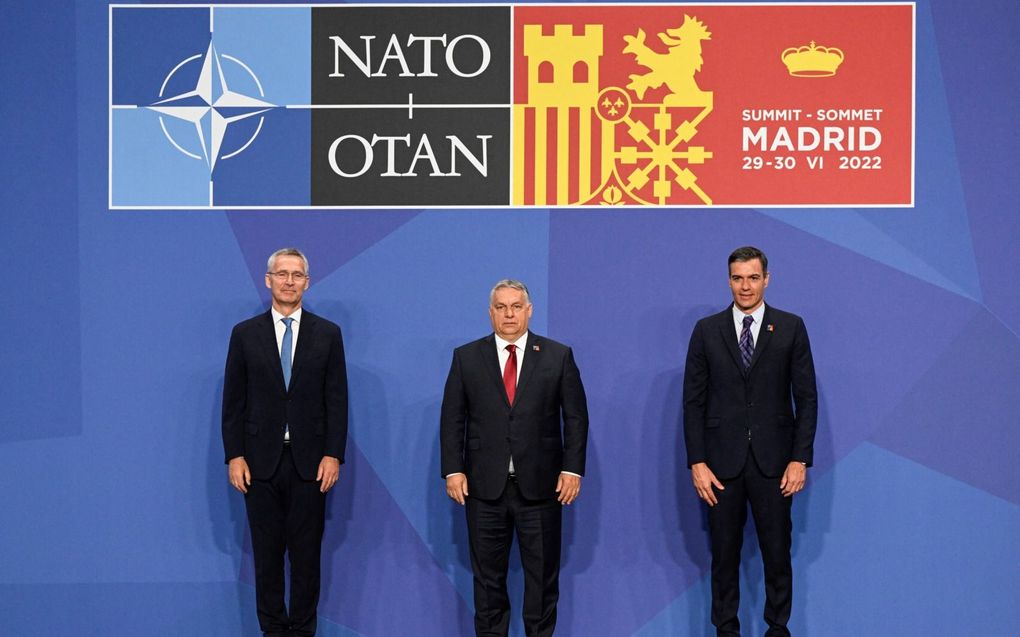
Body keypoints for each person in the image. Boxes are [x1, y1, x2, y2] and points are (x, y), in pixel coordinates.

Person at [440, 279, 589, 637]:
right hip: (483, 489)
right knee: (488, 585)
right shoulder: (466, 357)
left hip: (540, 490)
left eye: (516, 306)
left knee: (541, 584)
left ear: (529, 310)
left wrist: (572, 469)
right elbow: (452, 418)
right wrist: (453, 470)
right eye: (501, 307)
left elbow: (576, 417)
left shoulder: (557, 355)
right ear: (490, 313)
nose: (509, 314)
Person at [683, 246, 817, 637]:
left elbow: (806, 399)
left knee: (778, 554)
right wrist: (697, 461)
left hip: (774, 465)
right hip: (720, 467)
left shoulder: (791, 327)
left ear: (767, 280)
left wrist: (800, 459)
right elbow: (693, 402)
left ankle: (778, 628)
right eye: (738, 278)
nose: (746, 286)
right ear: (729, 280)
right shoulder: (707, 331)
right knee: (723, 556)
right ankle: (726, 630)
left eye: (753, 278)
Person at [222, 248, 348, 637]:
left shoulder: (328, 333)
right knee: (267, 558)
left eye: (297, 275)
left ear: (307, 282)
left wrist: (333, 454)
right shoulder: (245, 334)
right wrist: (235, 455)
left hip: (311, 465)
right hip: (259, 464)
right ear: (268, 280)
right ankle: (273, 631)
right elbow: (234, 401)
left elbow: (337, 399)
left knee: (307, 559)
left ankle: (303, 631)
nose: (289, 281)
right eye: (282, 274)